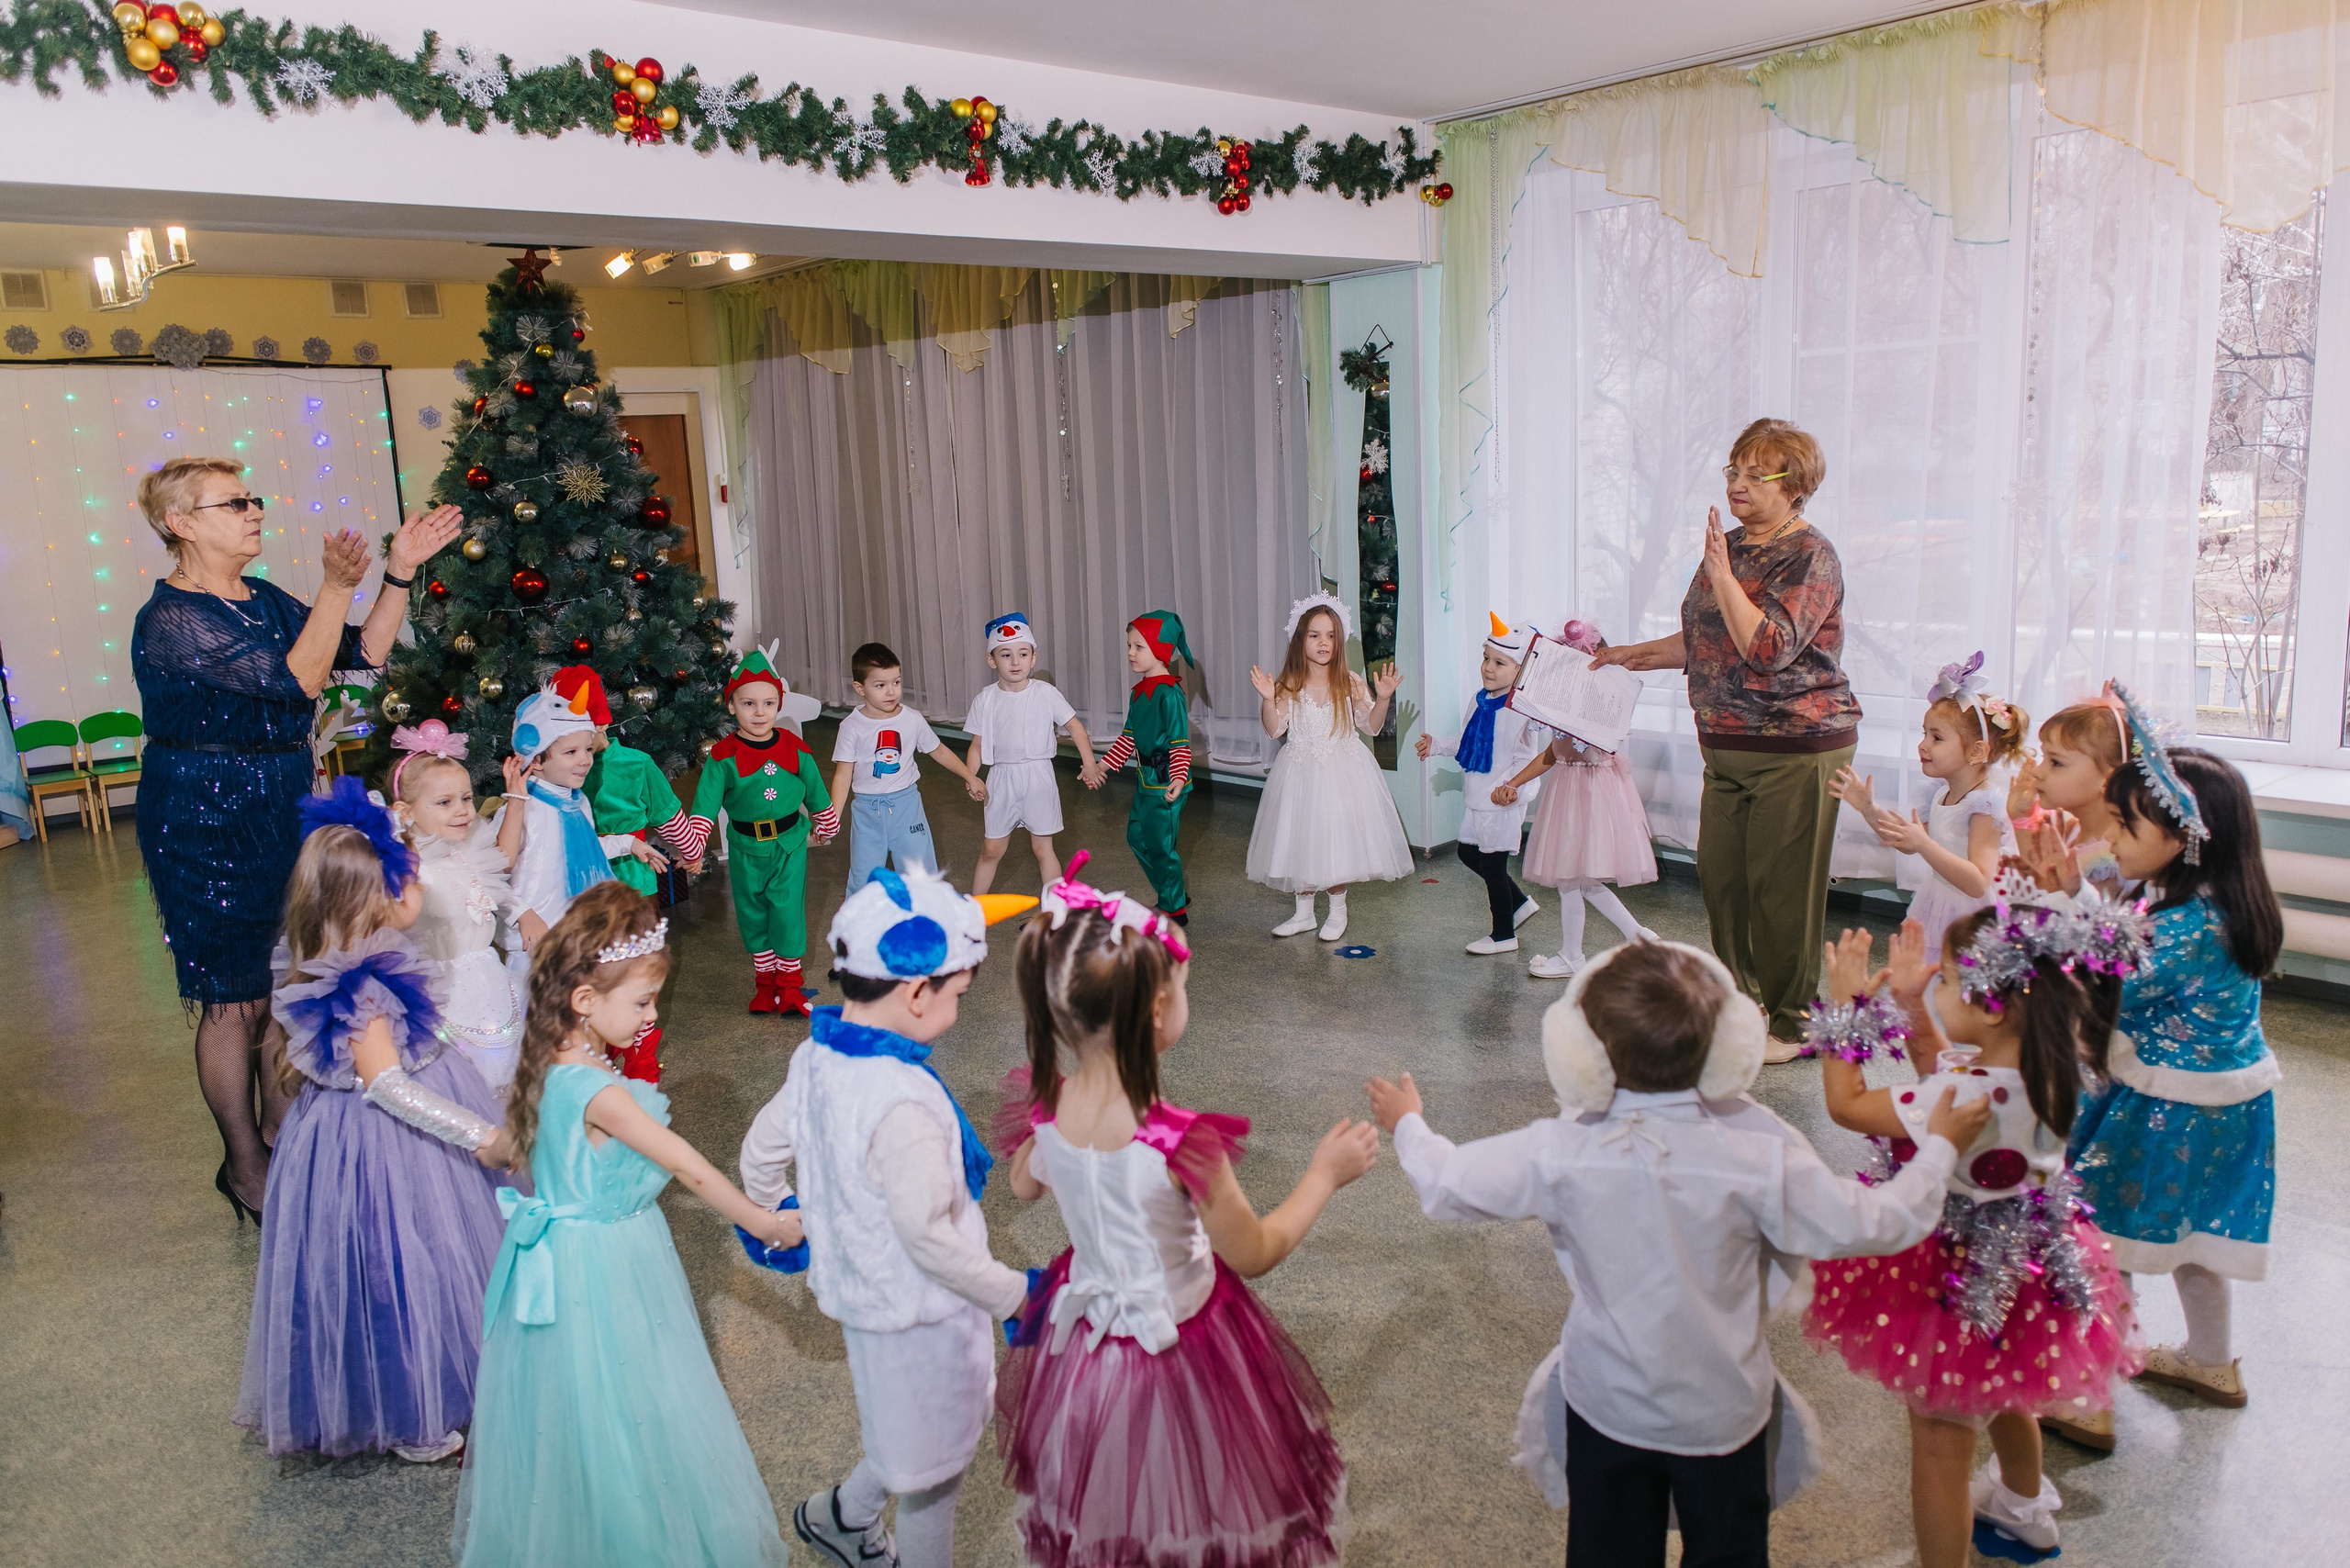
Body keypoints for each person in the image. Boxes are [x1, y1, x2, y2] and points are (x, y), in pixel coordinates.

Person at [1367, 939, 1987, 1568]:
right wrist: (1937, 1147)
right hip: (1723, 1415)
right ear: (1726, 1047)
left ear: (1584, 1054)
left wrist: (1409, 1123)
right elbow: (1888, 1221)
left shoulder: (1558, 1152)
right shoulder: (1761, 1160)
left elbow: (1448, 1184)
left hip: (1606, 1406)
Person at [994, 853, 1371, 1568]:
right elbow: (1254, 1252)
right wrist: (1324, 1175)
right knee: (1201, 1501)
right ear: (1160, 1012)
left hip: (1087, 1353)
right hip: (1184, 1344)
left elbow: (1022, 1188)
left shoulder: (1049, 1110)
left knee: (1108, 1506)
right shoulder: (1180, 1143)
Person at [131, 454, 458, 1218]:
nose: (253, 511)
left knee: (287, 979)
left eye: (251, 498)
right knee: (234, 1000)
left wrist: (399, 574)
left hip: (282, 803)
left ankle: (285, 1131)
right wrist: (335, 585)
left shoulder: (259, 598)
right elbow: (297, 683)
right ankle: (245, 1165)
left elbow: (360, 658)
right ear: (180, 524)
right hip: (203, 817)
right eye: (232, 502)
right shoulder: (172, 618)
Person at [454, 882, 800, 1567]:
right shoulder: (601, 1091)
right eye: (641, 1002)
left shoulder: (544, 1067)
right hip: (609, 1262)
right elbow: (690, 1168)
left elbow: (501, 1149)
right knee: (634, 1396)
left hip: (551, 1257)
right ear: (586, 1001)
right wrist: (764, 1221)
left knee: (575, 1408)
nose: (649, 1017)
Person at [1806, 909, 2144, 1564]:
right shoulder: (2056, 1070)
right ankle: (2024, 1509)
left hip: (1950, 1277)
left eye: (1950, 976)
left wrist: (1845, 1004)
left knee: (1939, 1443)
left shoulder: (1956, 1099)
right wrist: (1909, 1005)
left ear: (1992, 1008)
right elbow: (1946, 1066)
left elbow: (1848, 1105)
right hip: (2026, 1265)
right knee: (2007, 1388)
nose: (1938, 981)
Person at [738, 866, 1037, 1568]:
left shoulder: (818, 1054)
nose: (959, 1010)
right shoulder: (901, 1103)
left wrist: (775, 1208)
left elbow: (762, 1144)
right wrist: (1016, 1297)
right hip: (922, 1305)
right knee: (937, 1472)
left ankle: (841, 1516)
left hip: (874, 1297)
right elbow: (928, 1238)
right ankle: (861, 1527)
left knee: (915, 1436)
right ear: (914, 991)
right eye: (958, 993)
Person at [234, 778, 511, 1462]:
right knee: (400, 1265)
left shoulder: (363, 957)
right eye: (407, 880)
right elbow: (388, 1086)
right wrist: (480, 1134)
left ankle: (429, 1389)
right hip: (382, 1144)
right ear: (376, 901)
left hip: (369, 1128)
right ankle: (410, 1413)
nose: (418, 890)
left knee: (418, 1263)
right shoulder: (360, 985)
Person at [2025, 700, 2284, 1420]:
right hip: (2231, 1104)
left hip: (2167, 1107)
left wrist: (2063, 898)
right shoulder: (2214, 901)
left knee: (2108, 1244)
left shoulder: (2188, 926)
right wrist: (2077, 886)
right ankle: (2210, 1363)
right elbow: (2114, 934)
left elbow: (2101, 970)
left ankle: (2089, 1398)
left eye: (2127, 826)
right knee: (2197, 1238)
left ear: (2183, 839)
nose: (2113, 837)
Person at [1589, 420, 1859, 1059]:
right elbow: (1703, 640)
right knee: (1724, 883)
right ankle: (1745, 1007)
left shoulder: (1810, 554)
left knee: (1780, 893)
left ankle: (1794, 1024)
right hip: (1726, 744)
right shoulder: (1729, 547)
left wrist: (1721, 571)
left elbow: (1767, 646)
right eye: (1731, 471)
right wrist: (1624, 655)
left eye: (1751, 474)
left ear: (1793, 487)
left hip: (1797, 748)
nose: (1735, 483)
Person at [676, 648, 841, 1019]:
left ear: (778, 704)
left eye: (768, 703)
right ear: (731, 706)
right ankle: (765, 986)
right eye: (749, 703)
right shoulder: (722, 756)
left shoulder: (796, 749)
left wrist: (825, 825)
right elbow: (704, 807)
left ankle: (790, 988)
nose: (760, 712)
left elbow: (815, 790)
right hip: (745, 847)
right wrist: (694, 847)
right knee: (752, 915)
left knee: (787, 913)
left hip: (789, 844)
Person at [1831, 651, 2027, 961]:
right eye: (1925, 734)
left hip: (1971, 915)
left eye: (1937, 738)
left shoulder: (1984, 807)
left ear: (1977, 751)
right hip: (1938, 899)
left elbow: (1977, 882)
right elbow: (1907, 842)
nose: (1923, 745)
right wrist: (1869, 809)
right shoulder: (1939, 793)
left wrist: (1923, 844)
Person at [1244, 593, 1413, 943]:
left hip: (1341, 773)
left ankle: (1337, 912)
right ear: (1300, 640)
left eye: (1331, 636)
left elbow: (1372, 727)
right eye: (1315, 635)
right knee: (1301, 837)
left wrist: (1382, 699)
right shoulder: (1289, 684)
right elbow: (1274, 729)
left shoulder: (1348, 682)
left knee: (1336, 841)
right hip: (1300, 771)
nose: (1324, 643)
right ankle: (1304, 913)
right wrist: (1266, 699)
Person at [1494, 618, 1658, 978]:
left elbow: (1596, 751)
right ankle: (1637, 937)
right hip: (1570, 790)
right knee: (1579, 879)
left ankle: (1576, 954)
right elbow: (1552, 755)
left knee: (1573, 878)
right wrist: (1515, 781)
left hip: (1593, 793)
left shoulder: (1603, 708)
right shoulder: (1558, 708)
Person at [387, 720, 531, 1091]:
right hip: (444, 994)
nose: (463, 810)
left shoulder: (467, 847)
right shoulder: (412, 866)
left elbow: (505, 860)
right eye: (444, 803)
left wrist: (515, 797)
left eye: (466, 798)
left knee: (505, 1074)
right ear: (406, 812)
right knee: (465, 1084)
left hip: (490, 978)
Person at [1416, 612, 1545, 955]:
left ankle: (1504, 934)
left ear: (1519, 670)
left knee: (1493, 863)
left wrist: (1512, 787)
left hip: (1500, 800)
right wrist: (1437, 745)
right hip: (1476, 797)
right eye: (1486, 658)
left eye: (1500, 662)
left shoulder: (1521, 711)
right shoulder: (1479, 699)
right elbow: (1465, 739)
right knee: (1467, 851)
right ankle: (1518, 904)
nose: (1488, 667)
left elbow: (1526, 758)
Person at [830, 641, 984, 890]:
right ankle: (861, 928)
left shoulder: (912, 719)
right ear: (860, 688)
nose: (891, 691)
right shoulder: (851, 727)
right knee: (864, 881)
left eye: (896, 682)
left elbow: (939, 751)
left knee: (921, 876)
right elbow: (842, 775)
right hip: (868, 812)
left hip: (907, 806)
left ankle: (928, 924)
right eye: (880, 685)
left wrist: (970, 776)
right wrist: (833, 817)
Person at [965, 612, 1101, 895]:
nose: (1015, 662)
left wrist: (1090, 763)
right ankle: (973, 908)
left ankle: (1055, 911)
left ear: (1033, 657)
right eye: (1006, 655)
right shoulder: (985, 699)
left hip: (1038, 777)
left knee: (1043, 848)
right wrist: (971, 777)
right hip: (1000, 778)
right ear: (992, 660)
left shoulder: (1045, 693)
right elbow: (977, 745)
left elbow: (1075, 727)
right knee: (991, 848)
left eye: (1022, 654)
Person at [1087, 611, 1203, 924]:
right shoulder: (1140, 693)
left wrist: (1178, 778)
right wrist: (1103, 766)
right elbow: (1129, 737)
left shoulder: (1170, 693)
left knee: (1161, 846)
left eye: (1139, 646)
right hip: (1145, 782)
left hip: (1166, 785)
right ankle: (1173, 890)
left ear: (1161, 649)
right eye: (1129, 646)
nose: (1130, 653)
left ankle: (1174, 909)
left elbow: (1180, 743)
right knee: (1137, 837)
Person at [556, 666, 699, 897]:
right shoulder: (559, 772)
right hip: (583, 880)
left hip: (630, 879)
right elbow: (667, 815)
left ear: (601, 724)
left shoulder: (637, 764)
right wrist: (693, 853)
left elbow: (667, 816)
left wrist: (692, 853)